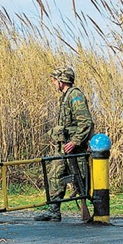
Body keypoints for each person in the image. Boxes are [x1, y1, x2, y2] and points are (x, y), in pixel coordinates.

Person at [35, 66, 94, 222]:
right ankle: (54, 210)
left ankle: (95, 209)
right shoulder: (66, 96)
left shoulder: (75, 96)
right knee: (55, 175)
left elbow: (85, 122)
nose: (53, 83)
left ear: (62, 81)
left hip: (73, 147)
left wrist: (75, 141)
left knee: (80, 179)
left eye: (55, 80)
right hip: (64, 146)